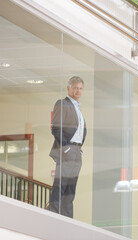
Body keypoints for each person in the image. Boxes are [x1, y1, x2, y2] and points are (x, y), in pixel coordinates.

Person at [49, 76, 87, 218]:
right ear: (69, 88)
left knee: (71, 190)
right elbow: (56, 129)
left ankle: (67, 219)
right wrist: (66, 148)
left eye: (80, 88)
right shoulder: (62, 103)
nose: (78, 91)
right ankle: (53, 216)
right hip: (68, 150)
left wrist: (78, 150)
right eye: (75, 88)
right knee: (60, 186)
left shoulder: (78, 108)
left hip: (77, 152)